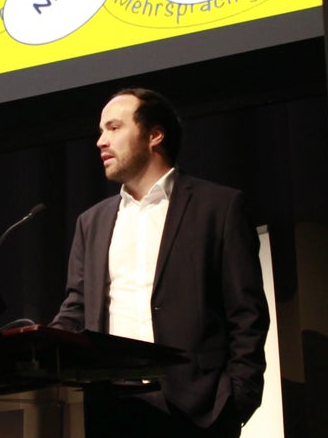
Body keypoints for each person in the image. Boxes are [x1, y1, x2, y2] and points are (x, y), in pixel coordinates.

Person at [50, 87, 269, 438]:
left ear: (155, 135)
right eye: (101, 131)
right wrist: (37, 347)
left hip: (195, 412)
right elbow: (76, 311)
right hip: (109, 410)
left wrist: (237, 401)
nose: (100, 141)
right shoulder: (91, 223)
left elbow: (247, 315)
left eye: (114, 128)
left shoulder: (218, 208)